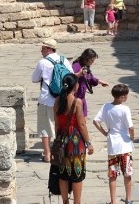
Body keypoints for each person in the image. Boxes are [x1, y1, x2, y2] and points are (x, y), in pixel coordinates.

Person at [54, 73, 95, 204]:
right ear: (75, 85)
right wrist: (88, 143)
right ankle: (77, 202)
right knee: (77, 174)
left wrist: (58, 139)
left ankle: (65, 201)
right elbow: (82, 124)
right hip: (75, 140)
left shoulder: (57, 101)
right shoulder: (77, 102)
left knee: (63, 173)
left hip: (61, 138)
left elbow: (56, 123)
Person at [30, 39, 71, 162]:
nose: (41, 50)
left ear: (48, 48)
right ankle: (63, 152)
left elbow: (34, 78)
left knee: (45, 127)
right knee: (62, 126)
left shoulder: (42, 62)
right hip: (62, 99)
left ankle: (47, 155)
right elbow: (72, 77)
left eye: (42, 48)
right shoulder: (64, 60)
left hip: (46, 99)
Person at [93, 84, 135, 204]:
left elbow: (95, 121)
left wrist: (105, 133)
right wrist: (132, 138)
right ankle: (128, 199)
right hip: (125, 145)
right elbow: (130, 127)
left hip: (112, 144)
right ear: (122, 97)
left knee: (112, 174)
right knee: (127, 173)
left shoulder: (106, 106)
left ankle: (113, 201)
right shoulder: (125, 109)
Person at [71, 48, 109, 117]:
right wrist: (80, 74)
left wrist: (101, 82)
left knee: (84, 118)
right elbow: (70, 77)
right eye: (92, 60)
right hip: (75, 97)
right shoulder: (76, 65)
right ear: (86, 58)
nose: (93, 62)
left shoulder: (85, 66)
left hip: (82, 97)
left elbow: (90, 78)